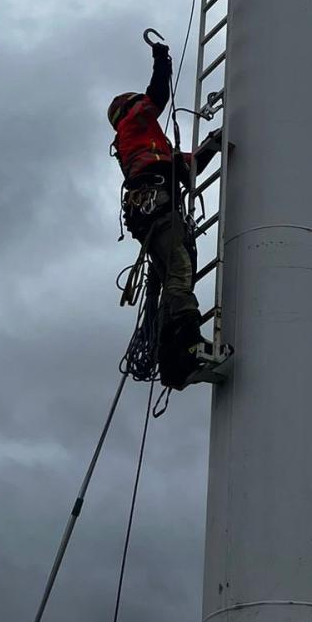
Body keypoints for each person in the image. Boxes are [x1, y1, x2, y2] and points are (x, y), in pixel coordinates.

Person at [108, 36, 222, 389]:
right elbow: (158, 95)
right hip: (156, 207)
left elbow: (188, 166)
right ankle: (187, 344)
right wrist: (162, 59)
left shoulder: (148, 145)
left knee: (176, 273)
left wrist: (212, 146)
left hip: (157, 207)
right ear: (131, 109)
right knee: (179, 270)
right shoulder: (133, 124)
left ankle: (174, 364)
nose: (148, 108)